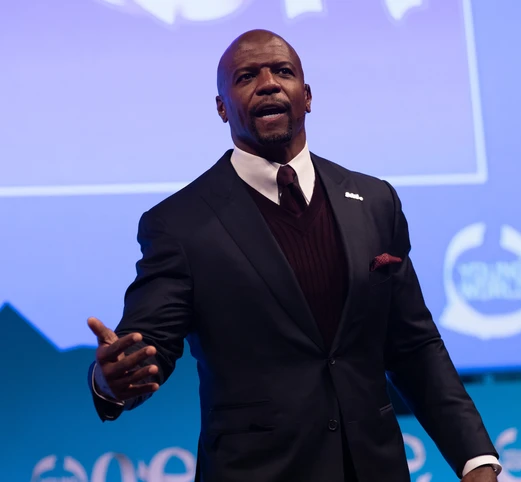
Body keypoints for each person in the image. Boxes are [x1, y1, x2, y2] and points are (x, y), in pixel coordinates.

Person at [87, 29, 501, 482]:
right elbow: (148, 345)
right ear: (222, 108)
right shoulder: (180, 224)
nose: (268, 84)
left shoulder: (374, 201)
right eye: (246, 77)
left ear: (306, 96)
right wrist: (111, 380)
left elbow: (413, 345)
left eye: (282, 71)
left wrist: (476, 459)